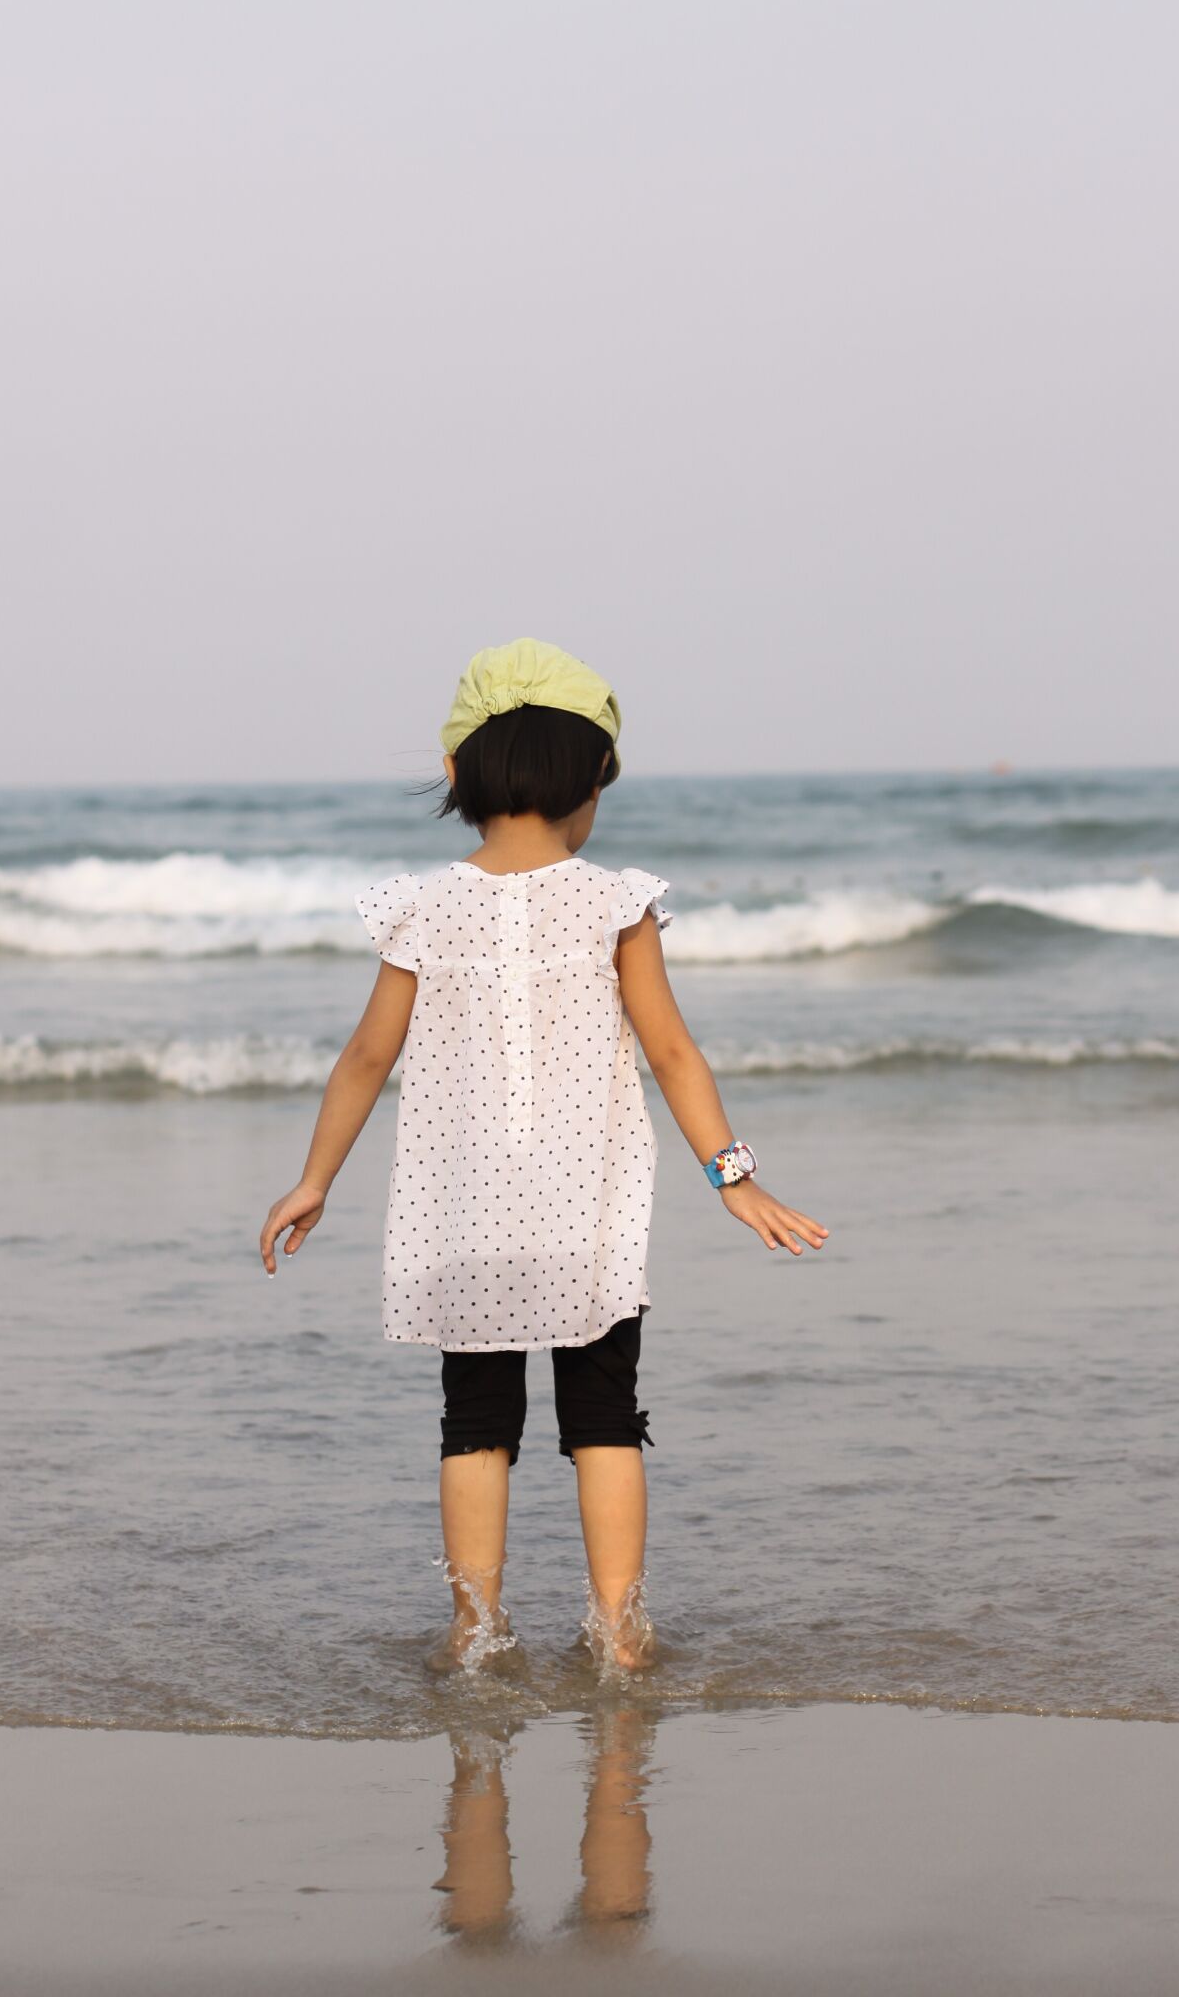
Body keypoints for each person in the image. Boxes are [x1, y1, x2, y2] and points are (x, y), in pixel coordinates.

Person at [257, 638, 828, 1673]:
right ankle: (619, 1632)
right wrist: (732, 1179)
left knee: (473, 1422)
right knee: (605, 1417)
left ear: (453, 773)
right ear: (589, 781)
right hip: (585, 1221)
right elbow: (670, 1050)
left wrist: (313, 1179)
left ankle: (475, 1628)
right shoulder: (617, 901)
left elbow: (364, 1057)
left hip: (463, 1221)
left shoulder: (419, 905)